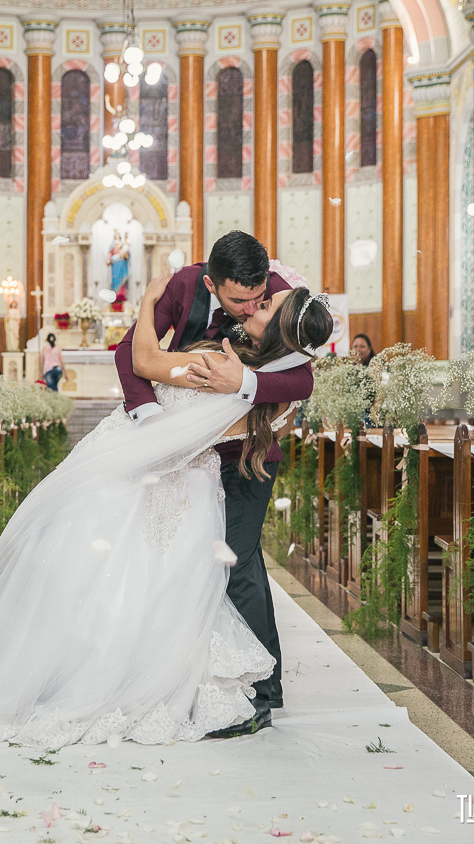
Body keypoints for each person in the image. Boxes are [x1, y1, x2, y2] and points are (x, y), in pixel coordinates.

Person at [0, 280, 333, 747]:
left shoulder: (227, 369)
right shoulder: (261, 377)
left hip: (155, 472)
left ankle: (253, 688)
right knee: (141, 580)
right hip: (171, 475)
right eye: (258, 298)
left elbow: (144, 360)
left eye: (265, 306)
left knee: (142, 576)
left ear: (279, 335)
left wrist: (144, 303)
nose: (257, 303)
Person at [115, 231, 314, 735]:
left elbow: (302, 379)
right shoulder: (181, 287)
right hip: (187, 451)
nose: (250, 308)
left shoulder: (282, 295)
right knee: (185, 560)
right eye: (237, 300)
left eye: (257, 298)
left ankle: (262, 694)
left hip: (248, 451)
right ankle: (201, 678)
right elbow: (129, 354)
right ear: (211, 283)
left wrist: (242, 383)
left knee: (238, 557)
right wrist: (150, 421)